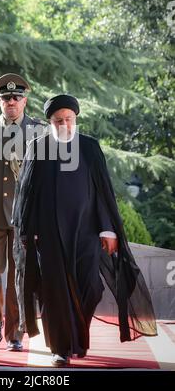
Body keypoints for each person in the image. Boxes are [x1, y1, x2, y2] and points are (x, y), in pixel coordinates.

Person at [12, 94, 157, 367]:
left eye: (69, 119)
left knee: (91, 286)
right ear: (50, 122)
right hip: (49, 233)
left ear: (75, 119)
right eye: (58, 120)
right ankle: (60, 348)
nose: (64, 124)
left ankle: (77, 335)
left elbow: (104, 192)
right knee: (54, 292)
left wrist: (108, 229)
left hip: (87, 231)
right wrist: (26, 230)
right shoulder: (38, 146)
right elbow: (26, 192)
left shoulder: (90, 147)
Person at [0, 73, 45, 351]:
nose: (11, 102)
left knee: (20, 275)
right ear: (0, 101)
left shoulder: (39, 131)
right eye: (6, 98)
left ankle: (15, 332)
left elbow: (43, 179)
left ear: (24, 101)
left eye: (16, 98)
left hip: (24, 217)